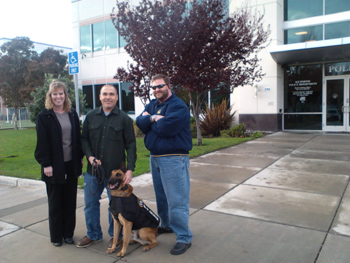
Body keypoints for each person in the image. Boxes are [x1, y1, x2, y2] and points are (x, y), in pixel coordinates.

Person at [136, 74, 193, 255]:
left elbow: (167, 128)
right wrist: (154, 119)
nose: (156, 90)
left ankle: (184, 237)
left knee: (177, 199)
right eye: (153, 88)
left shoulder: (178, 106)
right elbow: (140, 122)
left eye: (160, 86)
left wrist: (150, 121)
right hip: (156, 157)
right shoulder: (153, 105)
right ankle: (166, 225)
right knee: (162, 197)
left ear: (169, 86)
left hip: (173, 158)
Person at [77, 84, 137, 248]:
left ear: (117, 97)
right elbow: (84, 139)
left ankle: (114, 236)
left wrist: (130, 169)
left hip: (115, 175)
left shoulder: (124, 118)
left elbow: (131, 145)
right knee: (90, 204)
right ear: (100, 97)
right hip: (93, 172)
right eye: (105, 94)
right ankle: (93, 234)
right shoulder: (90, 116)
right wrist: (89, 156)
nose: (108, 97)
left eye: (111, 94)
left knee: (116, 207)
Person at [35, 80, 83, 247]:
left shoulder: (72, 114)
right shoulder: (44, 116)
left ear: (65, 95)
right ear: (50, 96)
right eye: (55, 94)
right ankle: (56, 237)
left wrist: (80, 158)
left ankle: (68, 234)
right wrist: (46, 164)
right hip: (53, 166)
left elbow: (77, 139)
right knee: (56, 203)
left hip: (71, 164)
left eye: (61, 93)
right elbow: (42, 143)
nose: (58, 97)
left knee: (70, 202)